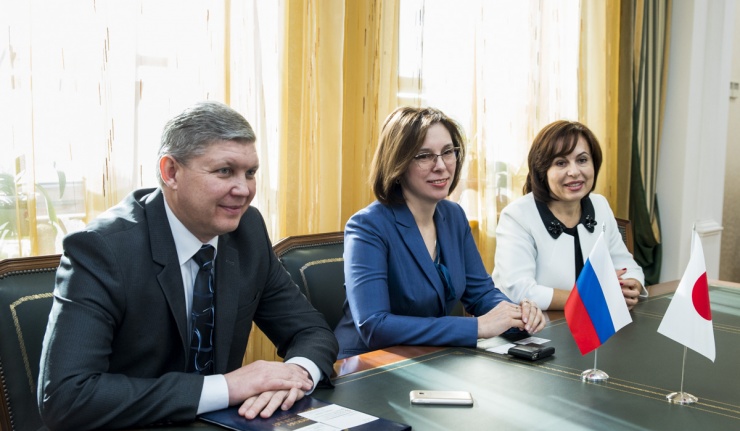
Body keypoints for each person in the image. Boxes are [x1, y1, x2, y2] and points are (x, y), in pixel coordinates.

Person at [37, 101, 339, 430]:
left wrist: (296, 375)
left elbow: (310, 330)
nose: (244, 190)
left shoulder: (247, 230)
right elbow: (67, 396)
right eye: (225, 171)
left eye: (250, 173)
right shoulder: (104, 249)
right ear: (171, 172)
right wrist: (227, 387)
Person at [333, 106, 545, 359]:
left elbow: (481, 293)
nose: (442, 166)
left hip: (429, 356)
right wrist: (477, 327)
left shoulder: (454, 216)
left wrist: (516, 315)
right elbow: (374, 325)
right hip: (368, 363)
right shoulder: (367, 226)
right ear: (397, 163)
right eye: (424, 156)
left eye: (447, 152)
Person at [492, 120, 647, 311]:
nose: (574, 172)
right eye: (560, 163)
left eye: (582, 160)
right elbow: (520, 291)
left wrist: (631, 286)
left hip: (595, 320)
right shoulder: (517, 216)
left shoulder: (600, 205)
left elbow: (627, 266)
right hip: (535, 324)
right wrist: (590, 298)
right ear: (542, 171)